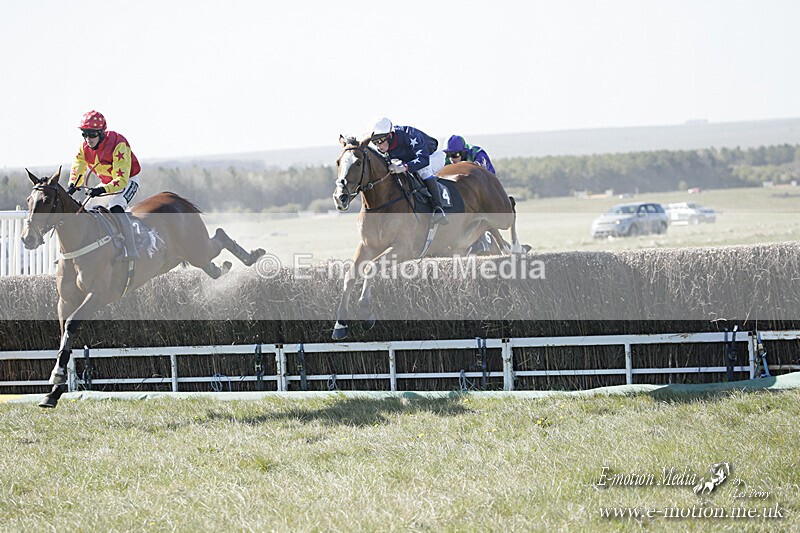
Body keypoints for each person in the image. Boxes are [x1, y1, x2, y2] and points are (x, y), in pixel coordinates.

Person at [67, 110, 142, 260]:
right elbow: (78, 166)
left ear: (101, 133)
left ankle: (131, 250)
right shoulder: (84, 148)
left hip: (128, 180)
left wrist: (101, 189)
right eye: (84, 134)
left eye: (92, 134)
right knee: (86, 210)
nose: (88, 139)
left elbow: (120, 182)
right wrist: (72, 185)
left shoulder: (118, 144)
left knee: (116, 206)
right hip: (108, 183)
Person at [369, 117, 449, 224]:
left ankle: (438, 209)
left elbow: (423, 160)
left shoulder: (410, 134)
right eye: (375, 142)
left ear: (390, 136)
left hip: (432, 156)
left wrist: (404, 167)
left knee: (423, 171)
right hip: (411, 160)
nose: (378, 146)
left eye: (380, 141)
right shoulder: (385, 146)